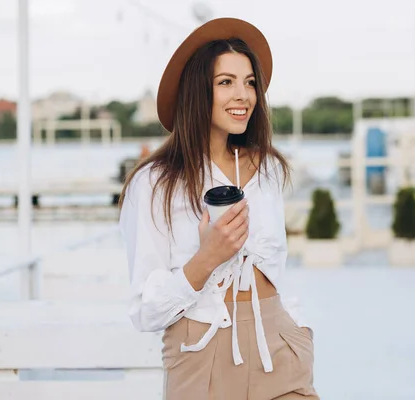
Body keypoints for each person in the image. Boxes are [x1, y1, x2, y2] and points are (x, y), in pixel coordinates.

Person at [118, 17, 318, 400]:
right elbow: (145, 311)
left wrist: (299, 329)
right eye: (225, 82)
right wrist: (206, 257)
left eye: (250, 82)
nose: (243, 95)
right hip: (200, 357)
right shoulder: (155, 184)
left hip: (279, 348)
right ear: (197, 91)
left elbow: (279, 270)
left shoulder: (269, 169)